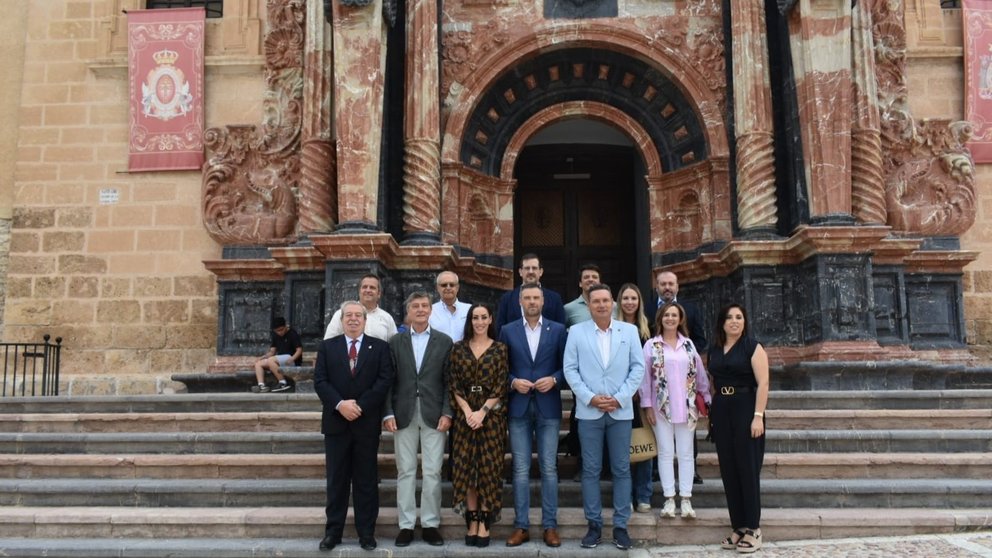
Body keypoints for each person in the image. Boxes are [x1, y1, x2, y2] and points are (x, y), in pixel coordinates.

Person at [563, 284, 645, 551]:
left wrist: (620, 398)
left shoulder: (629, 331)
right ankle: (594, 525)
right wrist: (591, 398)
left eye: (606, 301)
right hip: (589, 411)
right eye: (596, 301)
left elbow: (638, 367)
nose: (601, 305)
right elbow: (570, 370)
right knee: (590, 469)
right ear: (589, 303)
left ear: (613, 303)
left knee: (621, 469)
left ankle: (621, 526)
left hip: (621, 411)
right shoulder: (576, 332)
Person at [313, 301, 395, 552]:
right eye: (348, 315)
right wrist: (340, 405)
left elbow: (385, 380)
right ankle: (333, 533)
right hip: (336, 424)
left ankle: (366, 533)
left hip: (365, 424)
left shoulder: (379, 347)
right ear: (341, 320)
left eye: (357, 315)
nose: (352, 319)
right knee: (336, 481)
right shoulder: (327, 347)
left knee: (366, 481)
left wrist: (359, 406)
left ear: (365, 320)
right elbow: (320, 381)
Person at [498, 283, 567, 548]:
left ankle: (550, 525)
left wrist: (554, 379)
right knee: (520, 468)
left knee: (549, 468)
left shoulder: (559, 330)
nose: (532, 301)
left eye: (536, 297)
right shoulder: (507, 330)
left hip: (548, 406)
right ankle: (521, 526)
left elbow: (567, 367)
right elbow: (500, 367)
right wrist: (513, 381)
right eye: (526, 298)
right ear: (519, 302)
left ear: (543, 300)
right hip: (518, 407)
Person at [383, 292, 453, 547]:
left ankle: (431, 524)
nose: (421, 310)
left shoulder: (444, 342)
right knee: (406, 471)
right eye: (416, 306)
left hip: (435, 414)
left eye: (425, 305)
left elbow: (449, 381)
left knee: (433, 471)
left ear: (430, 310)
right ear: (409, 311)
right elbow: (388, 380)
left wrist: (448, 412)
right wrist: (388, 412)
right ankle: (406, 525)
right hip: (403, 413)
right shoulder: (395, 341)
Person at [707, 303, 769, 554]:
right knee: (729, 471)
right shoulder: (714, 350)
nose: (735, 321)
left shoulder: (753, 347)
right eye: (730, 317)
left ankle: (754, 528)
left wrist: (758, 416)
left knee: (747, 469)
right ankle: (739, 527)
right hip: (722, 410)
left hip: (746, 408)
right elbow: (713, 383)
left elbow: (763, 383)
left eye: (739, 317)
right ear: (722, 322)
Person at [640, 302, 711, 521]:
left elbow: (700, 375)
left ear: (680, 319)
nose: (670, 318)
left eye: (674, 315)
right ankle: (669, 498)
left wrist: (706, 398)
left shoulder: (688, 344)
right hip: (661, 408)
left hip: (687, 408)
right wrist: (647, 405)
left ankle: (686, 499)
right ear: (660, 318)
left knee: (686, 453)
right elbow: (645, 379)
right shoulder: (652, 345)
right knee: (665, 453)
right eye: (667, 315)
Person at [448, 303, 508, 548]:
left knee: (487, 471)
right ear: (470, 320)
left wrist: (482, 412)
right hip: (465, 420)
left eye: (484, 317)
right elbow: (453, 384)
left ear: (490, 319)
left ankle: (484, 522)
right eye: (475, 317)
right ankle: (471, 521)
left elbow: (501, 385)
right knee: (467, 471)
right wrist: (467, 412)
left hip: (490, 419)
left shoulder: (500, 349)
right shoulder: (458, 349)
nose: (480, 321)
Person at [656, 270, 707, 485]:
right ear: (656, 286)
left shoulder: (691, 308)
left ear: (677, 286)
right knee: (661, 436)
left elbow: (700, 339)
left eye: (671, 284)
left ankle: (691, 471)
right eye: (663, 284)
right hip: (658, 382)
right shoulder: (648, 308)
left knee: (688, 433)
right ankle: (657, 472)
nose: (667, 287)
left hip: (684, 380)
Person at [614, 284, 653, 512]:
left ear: (639, 302)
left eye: (633, 298)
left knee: (644, 443)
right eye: (625, 298)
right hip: (620, 395)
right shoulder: (614, 328)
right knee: (622, 447)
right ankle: (625, 495)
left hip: (643, 396)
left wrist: (643, 392)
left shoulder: (648, 329)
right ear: (620, 302)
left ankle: (644, 495)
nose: (630, 302)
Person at [495, 253, 565, 330]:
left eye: (534, 268)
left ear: (541, 271)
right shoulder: (507, 299)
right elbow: (500, 330)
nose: (531, 271)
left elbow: (560, 330)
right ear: (520, 272)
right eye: (527, 268)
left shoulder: (554, 298)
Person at [324, 274, 398, 341]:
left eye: (372, 288)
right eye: (364, 287)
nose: (368, 290)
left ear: (379, 294)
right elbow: (328, 342)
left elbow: (394, 347)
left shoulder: (387, 318)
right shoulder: (342, 313)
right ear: (359, 291)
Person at [252, 316, 303, 393]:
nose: (280, 332)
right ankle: (261, 385)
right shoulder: (275, 336)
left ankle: (283, 382)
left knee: (271, 360)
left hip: (291, 359)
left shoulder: (293, 334)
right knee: (258, 363)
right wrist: (262, 357)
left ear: (285, 326)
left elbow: (299, 350)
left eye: (281, 330)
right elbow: (272, 352)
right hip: (278, 359)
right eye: (277, 331)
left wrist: (292, 358)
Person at [429, 271, 472, 341]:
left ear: (457, 287)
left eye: (452, 285)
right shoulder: (429, 311)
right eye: (444, 285)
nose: (448, 288)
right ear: (437, 288)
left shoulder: (469, 309)